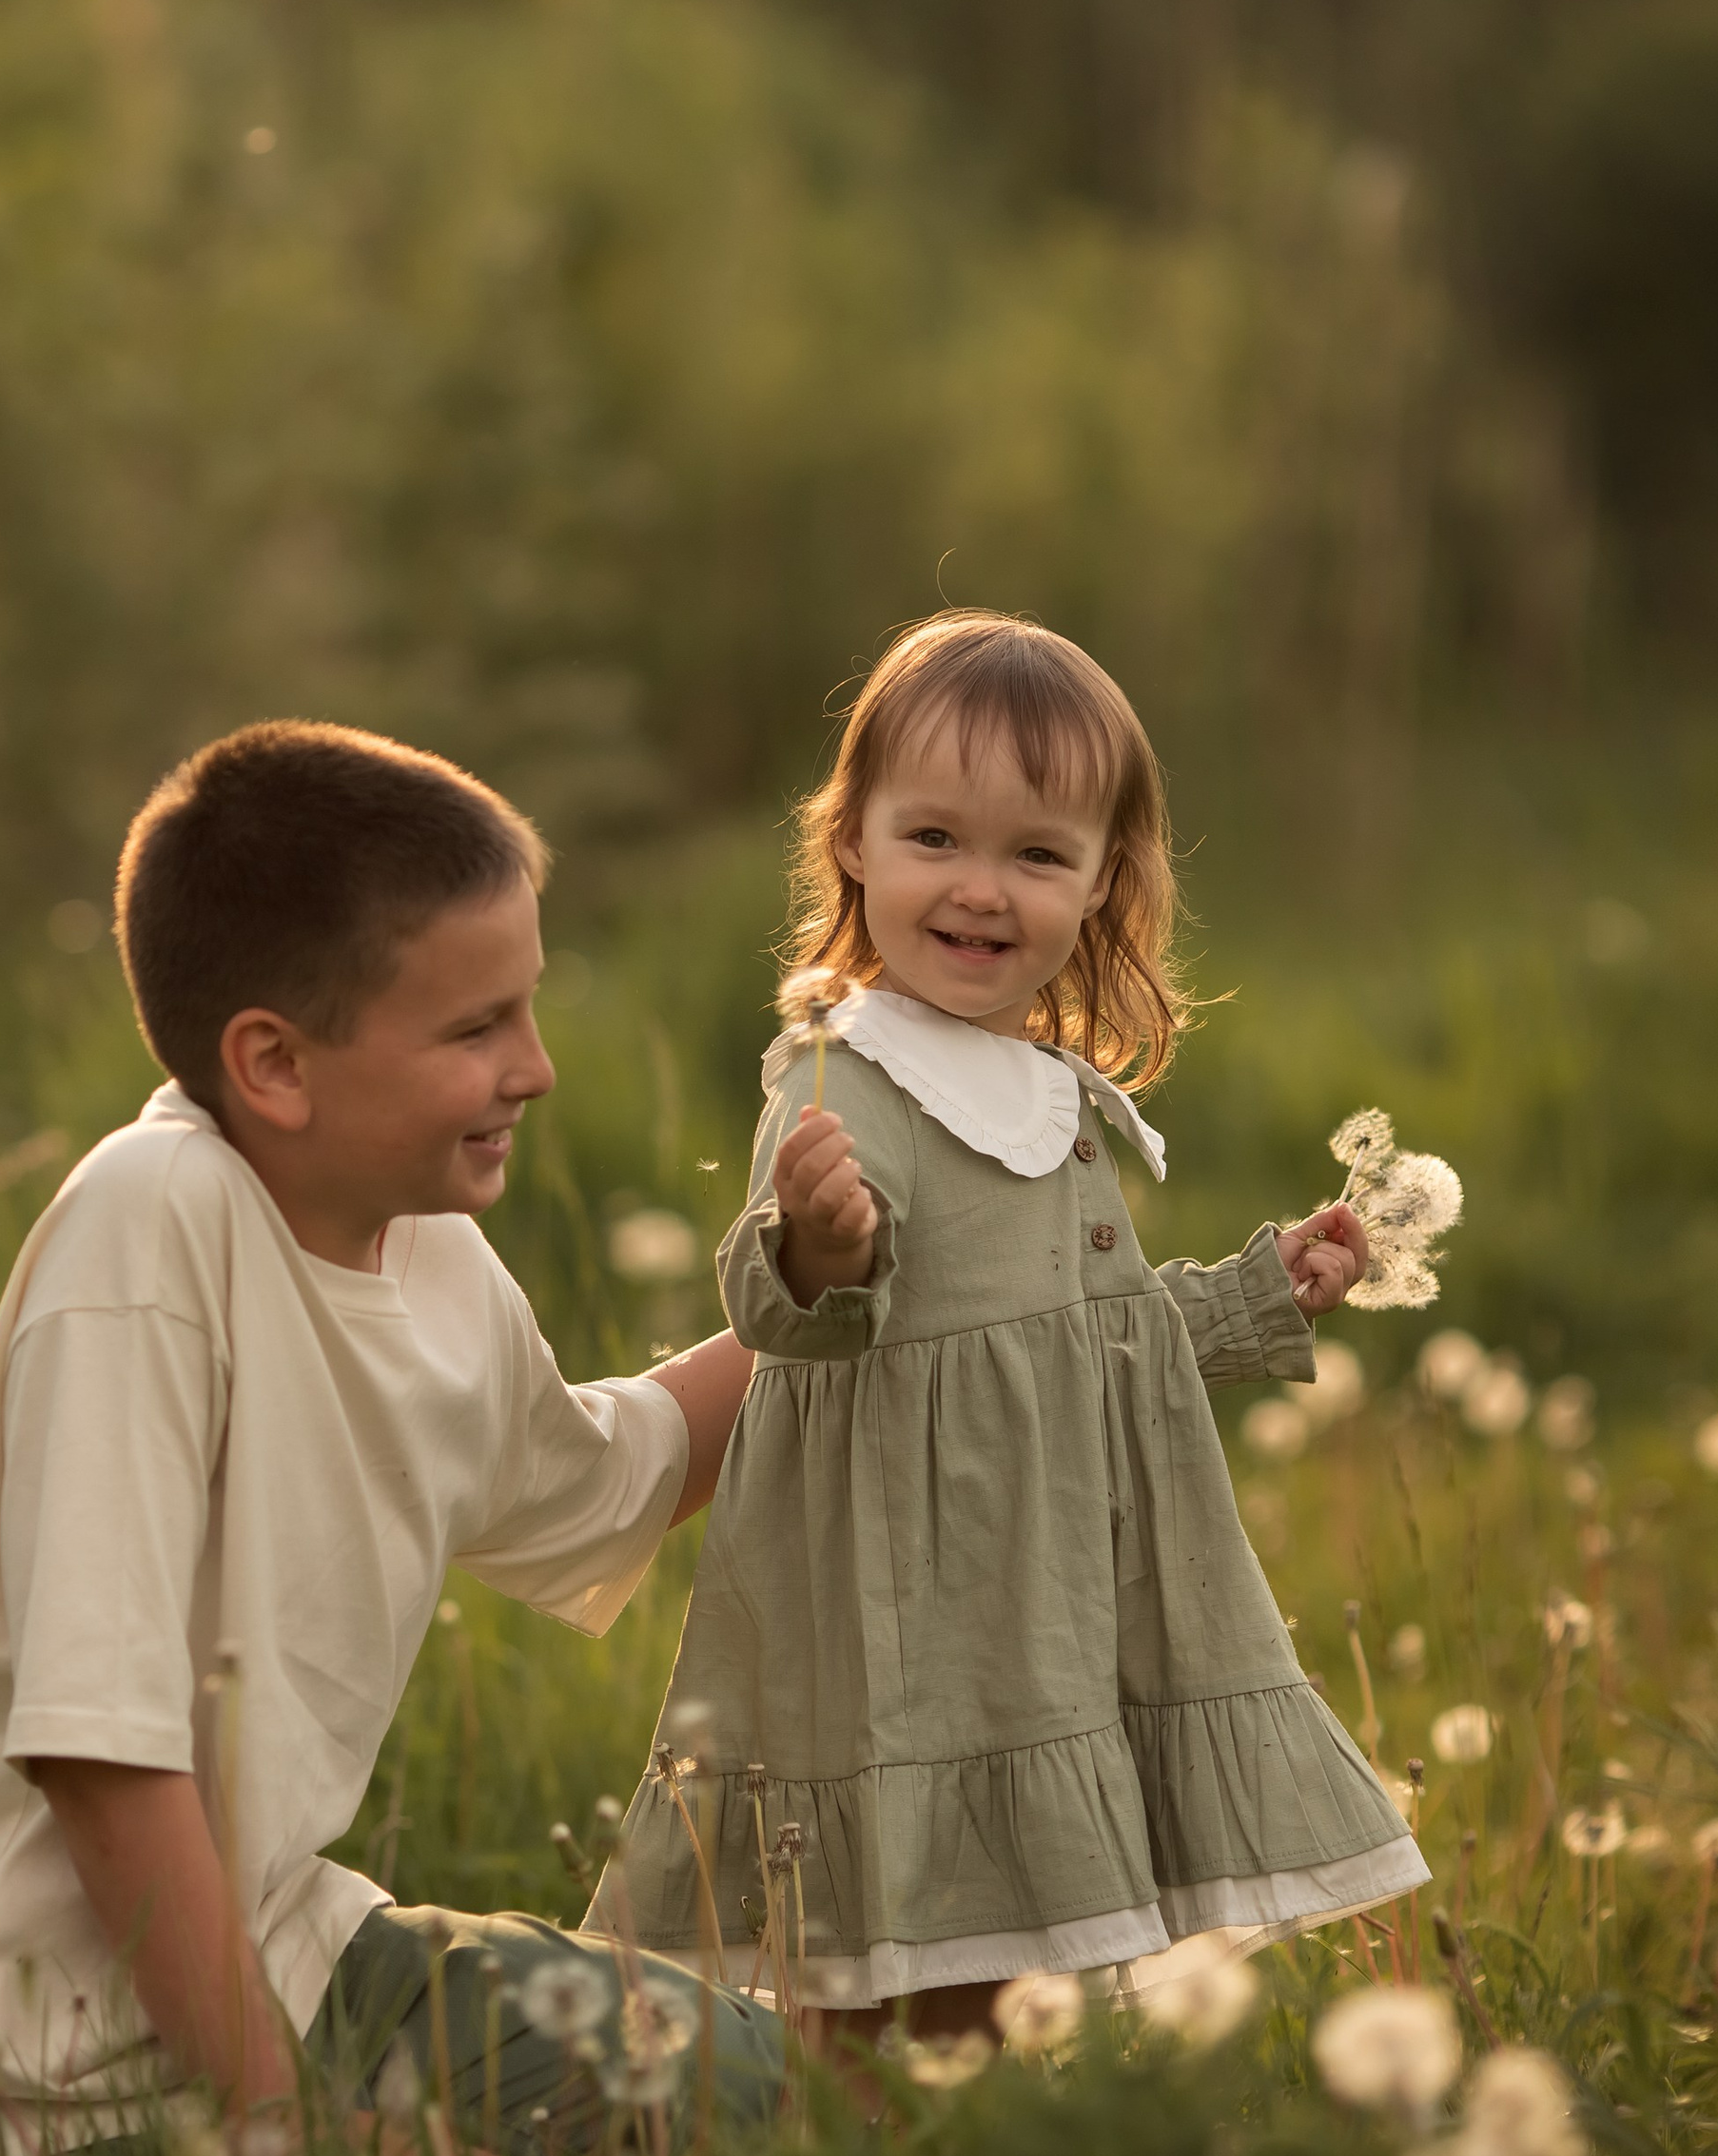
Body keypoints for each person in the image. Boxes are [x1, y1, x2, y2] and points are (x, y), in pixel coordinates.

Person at [0, 722, 780, 2156]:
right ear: (274, 1063)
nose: (536, 1069)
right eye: (476, 1028)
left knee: (741, 2097)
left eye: (529, 1010)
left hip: (275, 1947)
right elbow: (104, 1760)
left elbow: (607, 1473)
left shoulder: (426, 1243)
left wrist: (822, 1306)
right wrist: (291, 2146)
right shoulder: (149, 1233)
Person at [591, 612, 1427, 2045]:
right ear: (852, 838)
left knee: (1001, 1958)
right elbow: (793, 1319)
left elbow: (1077, 1337)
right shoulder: (844, 1078)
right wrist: (819, 1241)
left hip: (1039, 1601)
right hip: (908, 1611)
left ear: (1104, 879)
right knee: (880, 1932)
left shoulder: (1047, 1094)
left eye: (1037, 854)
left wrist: (1250, 1293)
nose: (982, 890)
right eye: (936, 839)